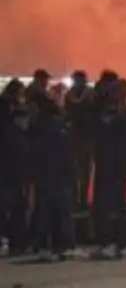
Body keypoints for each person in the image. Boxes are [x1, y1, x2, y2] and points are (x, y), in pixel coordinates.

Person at [91, 82, 126, 259]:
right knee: (105, 208)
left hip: (115, 171)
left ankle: (117, 242)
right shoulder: (104, 125)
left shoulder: (120, 124)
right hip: (106, 171)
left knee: (117, 208)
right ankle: (107, 242)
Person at [30, 101, 76, 261]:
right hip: (59, 178)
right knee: (63, 214)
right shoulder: (60, 132)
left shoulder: (39, 131)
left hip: (45, 178)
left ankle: (43, 246)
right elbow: (67, 157)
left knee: (46, 214)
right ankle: (64, 246)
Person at [0, 104, 31, 255]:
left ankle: (15, 241)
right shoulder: (16, 136)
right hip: (14, 179)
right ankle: (17, 241)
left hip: (11, 179)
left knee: (14, 210)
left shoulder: (11, 134)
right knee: (16, 210)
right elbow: (19, 159)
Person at [64, 70, 95, 210]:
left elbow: (67, 114)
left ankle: (77, 199)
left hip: (76, 135)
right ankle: (81, 199)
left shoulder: (69, 96)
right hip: (85, 135)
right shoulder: (90, 95)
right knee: (82, 170)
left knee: (76, 169)